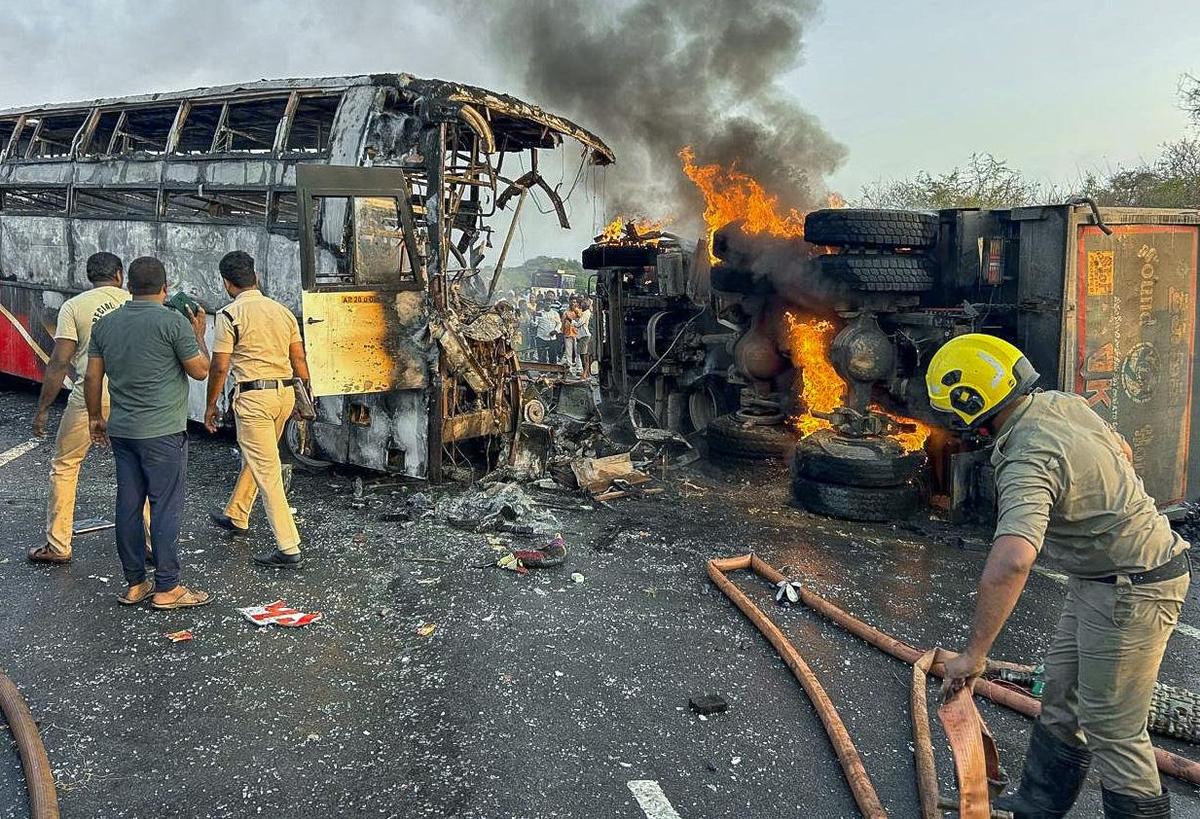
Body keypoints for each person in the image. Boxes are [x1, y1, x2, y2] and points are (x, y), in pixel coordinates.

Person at [928, 333, 1189, 818]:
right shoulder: (1060, 404)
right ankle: (1037, 806)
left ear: (971, 403)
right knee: (1062, 696)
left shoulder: (1027, 457)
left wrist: (974, 655)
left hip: (1135, 588)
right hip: (1100, 578)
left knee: (1113, 728)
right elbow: (1122, 450)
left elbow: (1013, 560)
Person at [86, 256, 212, 610]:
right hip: (162, 433)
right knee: (164, 506)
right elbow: (200, 370)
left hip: (123, 431)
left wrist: (95, 417)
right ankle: (168, 587)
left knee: (128, 506)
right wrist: (198, 335)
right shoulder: (173, 322)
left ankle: (135, 583)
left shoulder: (106, 324)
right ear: (165, 288)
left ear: (128, 285)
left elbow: (93, 376)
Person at [28, 252, 147, 563]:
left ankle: (58, 545)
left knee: (65, 465)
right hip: (132, 398)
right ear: (119, 275)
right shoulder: (137, 302)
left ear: (89, 276)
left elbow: (59, 362)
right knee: (138, 468)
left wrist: (43, 408)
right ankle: (149, 543)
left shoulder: (75, 306)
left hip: (88, 397)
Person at [204, 251, 308, 568]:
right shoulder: (283, 312)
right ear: (256, 277)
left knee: (267, 470)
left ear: (226, 283)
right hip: (284, 395)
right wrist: (304, 397)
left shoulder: (229, 315)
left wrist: (211, 404)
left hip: (254, 399)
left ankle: (288, 547)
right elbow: (299, 359)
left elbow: (220, 366)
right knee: (261, 456)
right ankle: (237, 514)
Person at [534, 298, 560, 364]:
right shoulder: (539, 313)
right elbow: (535, 324)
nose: (548, 305)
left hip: (552, 338)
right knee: (542, 357)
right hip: (541, 337)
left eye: (549, 303)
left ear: (551, 304)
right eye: (546, 303)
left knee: (553, 356)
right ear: (544, 304)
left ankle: (553, 369)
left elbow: (559, 323)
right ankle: (543, 370)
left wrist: (555, 330)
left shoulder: (555, 313)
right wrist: (533, 318)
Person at [561, 297, 582, 374]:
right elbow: (563, 323)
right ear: (569, 302)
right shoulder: (565, 312)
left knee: (578, 352)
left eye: (575, 302)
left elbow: (579, 320)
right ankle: (569, 369)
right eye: (572, 302)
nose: (573, 303)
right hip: (567, 334)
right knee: (568, 352)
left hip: (577, 334)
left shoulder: (578, 311)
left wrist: (576, 311)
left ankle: (579, 369)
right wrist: (562, 332)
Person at [575, 296, 594, 374]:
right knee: (583, 355)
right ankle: (586, 372)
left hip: (584, 336)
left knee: (584, 356)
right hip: (582, 336)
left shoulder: (586, 313)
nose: (581, 304)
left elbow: (578, 324)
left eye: (584, 303)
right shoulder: (585, 313)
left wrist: (571, 321)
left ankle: (586, 373)